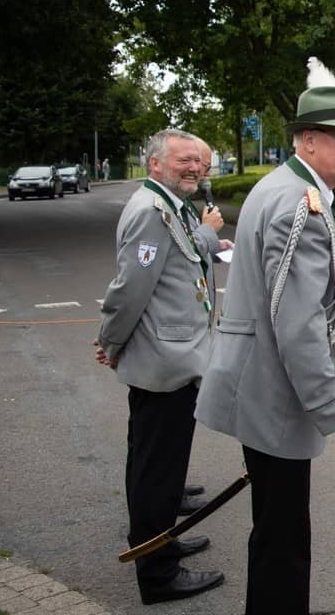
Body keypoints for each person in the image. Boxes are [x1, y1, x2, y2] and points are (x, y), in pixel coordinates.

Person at [195, 68, 335, 615]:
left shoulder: (285, 187)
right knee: (283, 539)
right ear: (308, 139)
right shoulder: (301, 203)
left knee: (275, 529)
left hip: (258, 380)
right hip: (274, 390)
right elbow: (298, 326)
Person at [95, 129, 223, 604]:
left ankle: (161, 539)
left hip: (174, 357)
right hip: (165, 363)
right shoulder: (152, 211)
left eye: (199, 162)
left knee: (158, 466)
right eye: (184, 160)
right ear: (155, 164)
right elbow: (130, 288)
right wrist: (111, 341)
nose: (195, 167)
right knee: (157, 471)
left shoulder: (168, 205)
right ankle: (158, 574)